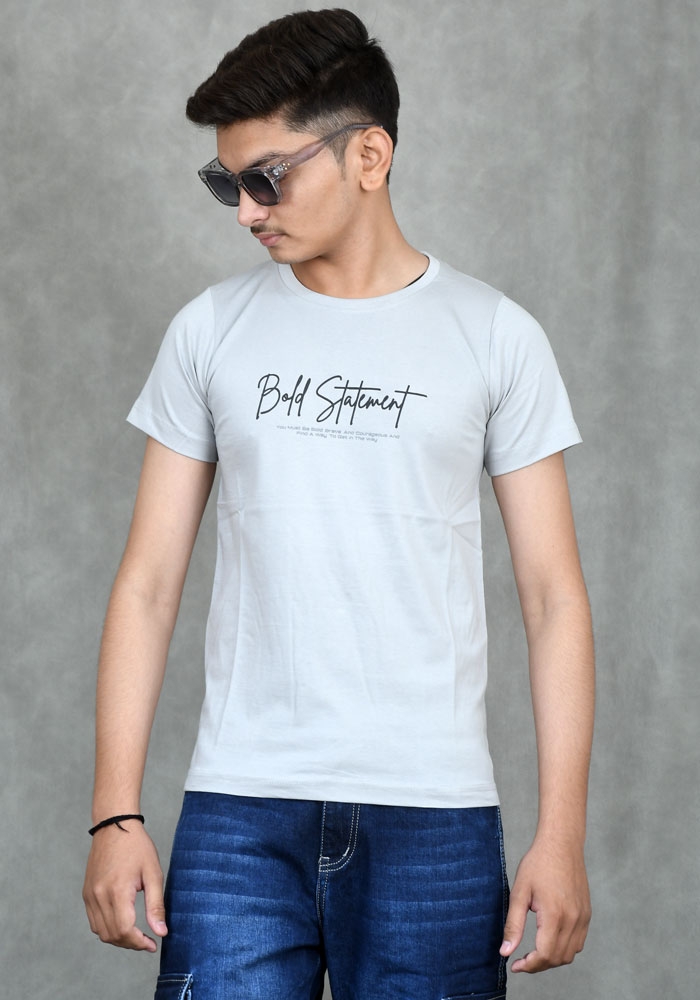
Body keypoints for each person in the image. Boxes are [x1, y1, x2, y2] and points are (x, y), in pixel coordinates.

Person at [82, 8, 594, 999]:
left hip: (434, 813)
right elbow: (146, 584)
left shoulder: (496, 336)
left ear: (369, 155)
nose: (246, 210)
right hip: (238, 811)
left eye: (266, 177)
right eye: (226, 182)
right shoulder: (208, 332)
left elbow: (553, 598)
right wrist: (116, 812)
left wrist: (561, 835)